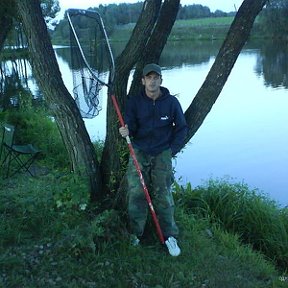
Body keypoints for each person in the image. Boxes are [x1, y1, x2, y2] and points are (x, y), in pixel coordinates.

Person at [119, 63, 188, 256]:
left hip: (162, 153)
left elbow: (181, 129)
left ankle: (170, 235)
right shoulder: (134, 102)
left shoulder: (171, 102)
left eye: (155, 77)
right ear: (143, 81)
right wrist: (126, 131)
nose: (152, 81)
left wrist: (171, 150)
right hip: (139, 150)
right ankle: (135, 233)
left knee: (163, 194)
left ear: (161, 80)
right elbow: (130, 126)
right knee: (137, 193)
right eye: (148, 78)